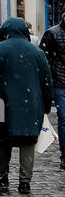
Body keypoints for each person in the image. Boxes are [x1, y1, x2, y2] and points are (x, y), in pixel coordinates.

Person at [0, 16, 53, 196]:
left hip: (0, 104)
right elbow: (47, 81)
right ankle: (25, 182)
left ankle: (2, 179)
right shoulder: (37, 52)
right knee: (28, 143)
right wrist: (47, 105)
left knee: (1, 141)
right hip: (31, 104)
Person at [38, 9, 65, 172]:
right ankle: (64, 155)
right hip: (60, 83)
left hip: (59, 81)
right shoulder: (52, 33)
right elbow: (44, 60)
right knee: (63, 119)